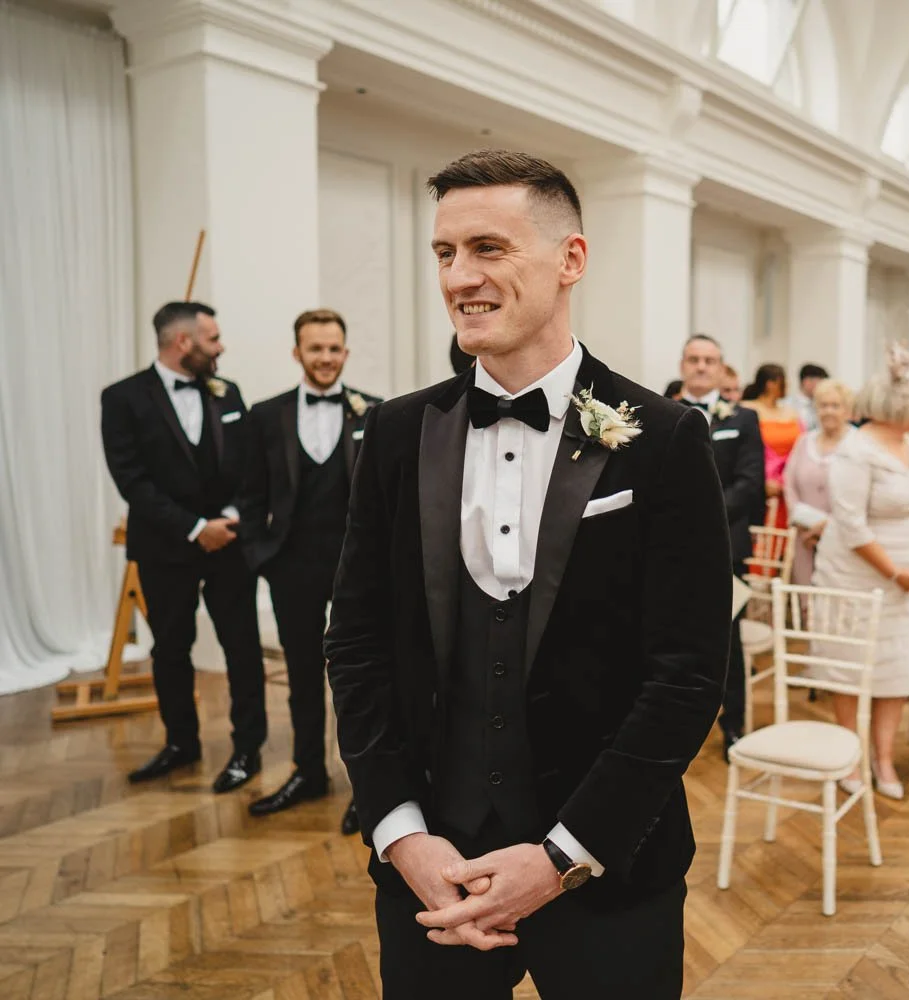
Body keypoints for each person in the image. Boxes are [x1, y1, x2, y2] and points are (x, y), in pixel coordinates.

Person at [324, 149, 732, 999]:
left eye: (488, 248)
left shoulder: (661, 438)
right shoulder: (396, 435)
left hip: (610, 865)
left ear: (570, 260)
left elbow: (689, 674)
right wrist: (402, 835)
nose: (459, 277)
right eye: (444, 254)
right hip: (434, 872)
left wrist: (562, 856)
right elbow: (357, 644)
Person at [100, 301, 267, 790]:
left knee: (242, 649)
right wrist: (196, 527)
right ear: (183, 343)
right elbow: (132, 481)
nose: (221, 347)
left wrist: (230, 518)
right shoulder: (123, 398)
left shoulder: (226, 392)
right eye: (212, 339)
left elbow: (250, 464)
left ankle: (247, 750)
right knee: (171, 648)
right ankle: (181, 743)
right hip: (165, 548)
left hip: (230, 546)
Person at [237, 309, 380, 834]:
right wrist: (261, 556)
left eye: (334, 348)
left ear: (345, 352)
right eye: (315, 348)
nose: (325, 358)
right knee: (300, 675)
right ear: (297, 352)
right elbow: (249, 493)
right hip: (290, 567)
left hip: (357, 571)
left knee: (361, 680)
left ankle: (368, 790)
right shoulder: (265, 415)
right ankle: (308, 772)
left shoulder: (376, 413)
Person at [810, 344, 909, 802]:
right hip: (855, 574)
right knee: (851, 669)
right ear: (902, 405)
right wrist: (895, 574)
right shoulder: (856, 449)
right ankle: (852, 755)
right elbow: (851, 524)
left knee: (895, 669)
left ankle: (883, 757)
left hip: (907, 579)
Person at [678, 334, 764, 758]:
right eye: (693, 359)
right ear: (682, 365)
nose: (700, 366)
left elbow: (750, 484)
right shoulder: (656, 410)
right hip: (669, 548)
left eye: (709, 360)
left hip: (725, 548)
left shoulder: (742, 419)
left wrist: (703, 516)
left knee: (728, 645)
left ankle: (734, 726)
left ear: (720, 367)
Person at [782, 379, 854, 585]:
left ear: (847, 410)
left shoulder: (857, 444)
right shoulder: (804, 441)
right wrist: (801, 521)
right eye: (823, 405)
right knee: (804, 598)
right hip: (803, 536)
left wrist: (827, 527)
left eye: (835, 406)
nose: (828, 411)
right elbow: (789, 482)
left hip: (841, 537)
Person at [742, 363, 802, 526]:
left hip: (788, 482)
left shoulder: (790, 411)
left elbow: (801, 445)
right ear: (771, 384)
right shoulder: (748, 409)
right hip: (761, 482)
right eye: (784, 382)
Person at [792, 363, 828, 430]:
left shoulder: (823, 406)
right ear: (807, 381)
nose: (823, 388)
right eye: (821, 383)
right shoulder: (784, 405)